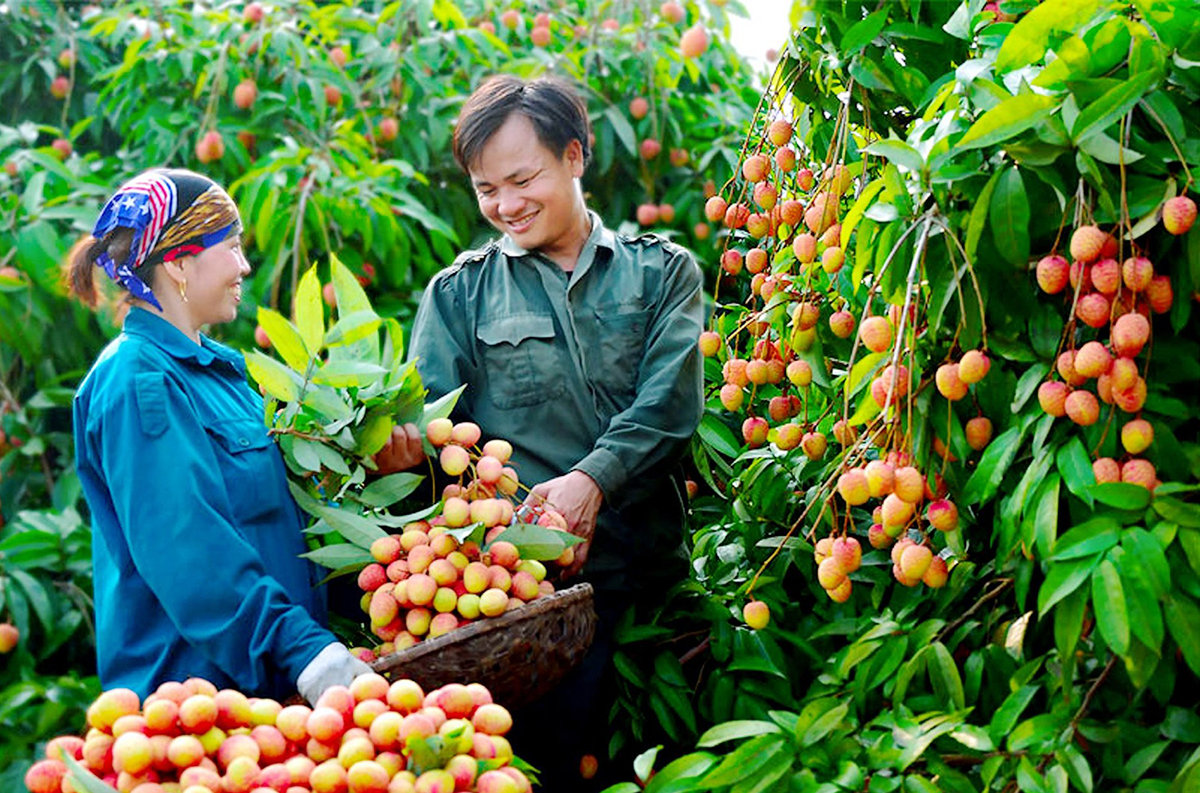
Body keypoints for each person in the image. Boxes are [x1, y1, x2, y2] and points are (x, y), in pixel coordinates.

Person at [408, 75, 705, 787]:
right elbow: (429, 437)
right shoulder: (459, 294)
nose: (505, 205)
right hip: (531, 622)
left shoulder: (662, 274)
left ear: (574, 156)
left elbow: (669, 406)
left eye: (521, 178)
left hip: (659, 601)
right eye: (486, 189)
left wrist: (590, 479)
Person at [69, 169, 421, 704]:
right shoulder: (139, 381)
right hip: (198, 708)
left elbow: (277, 518)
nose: (244, 266)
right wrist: (301, 649)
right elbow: (190, 548)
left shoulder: (221, 376)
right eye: (230, 247)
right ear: (180, 261)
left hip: (273, 696)